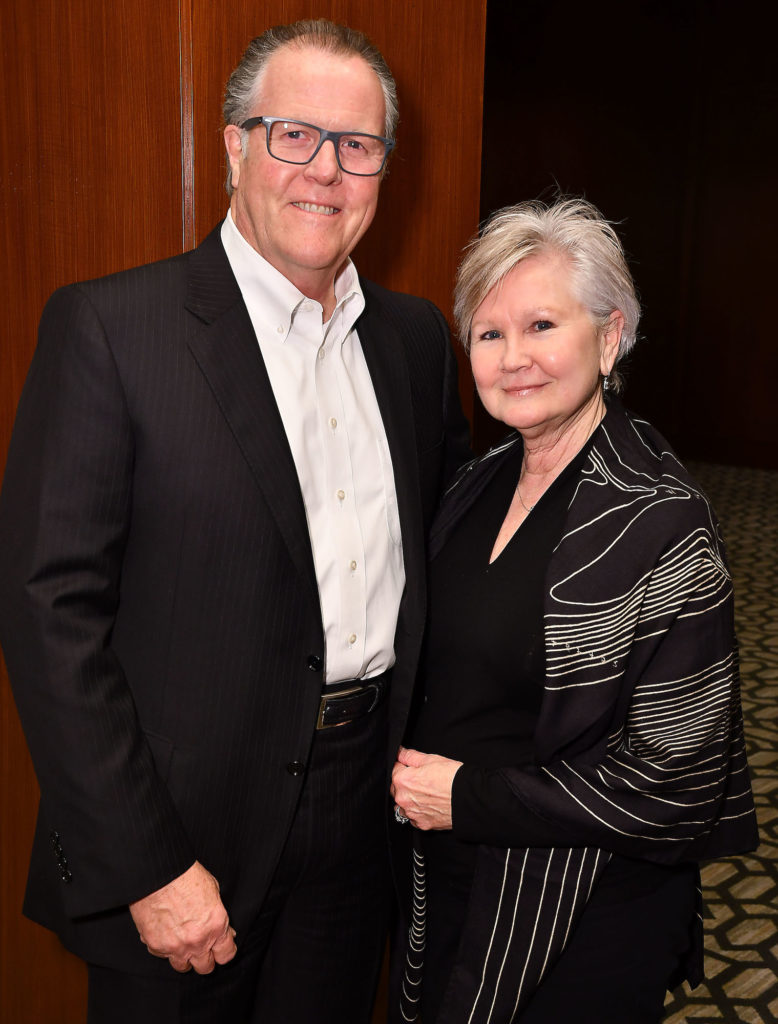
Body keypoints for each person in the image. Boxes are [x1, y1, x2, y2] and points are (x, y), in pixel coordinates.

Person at [0, 18, 470, 1024]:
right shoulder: (111, 332)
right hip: (180, 834)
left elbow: (453, 558)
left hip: (362, 813)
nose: (325, 172)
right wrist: (147, 863)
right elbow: (50, 620)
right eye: (292, 134)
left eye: (358, 145)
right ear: (232, 144)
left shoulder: (418, 341)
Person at [390, 198, 758, 1024]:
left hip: (582, 908)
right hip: (444, 873)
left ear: (610, 336)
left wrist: (470, 798)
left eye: (542, 325)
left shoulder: (661, 519)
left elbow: (677, 786)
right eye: (489, 334)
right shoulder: (474, 484)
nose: (513, 358)